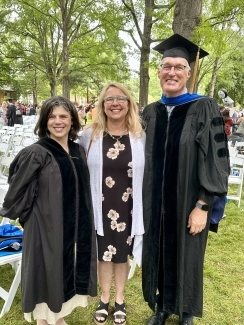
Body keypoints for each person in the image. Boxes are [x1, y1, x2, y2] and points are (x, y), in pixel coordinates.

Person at [141, 34, 230, 325]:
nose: (172, 72)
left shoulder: (204, 107)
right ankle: (162, 306)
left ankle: (186, 310)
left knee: (189, 255)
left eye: (179, 67)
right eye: (167, 66)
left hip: (190, 200)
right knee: (159, 251)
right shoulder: (150, 112)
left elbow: (216, 159)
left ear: (189, 74)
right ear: (159, 71)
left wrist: (203, 204)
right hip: (155, 202)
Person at [0, 96, 97, 325]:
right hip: (45, 227)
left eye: (63, 116)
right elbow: (15, 192)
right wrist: (33, 219)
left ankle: (58, 317)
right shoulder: (37, 152)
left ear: (73, 120)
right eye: (52, 117)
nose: (58, 121)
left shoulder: (77, 150)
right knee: (47, 271)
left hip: (75, 227)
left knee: (66, 270)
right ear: (45, 121)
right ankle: (45, 320)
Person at [79, 82, 145, 325]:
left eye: (120, 99)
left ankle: (119, 299)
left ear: (129, 104)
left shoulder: (140, 136)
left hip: (128, 206)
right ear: (102, 105)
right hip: (100, 206)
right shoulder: (89, 136)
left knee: (121, 255)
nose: (115, 103)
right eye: (109, 99)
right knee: (103, 256)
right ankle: (104, 299)